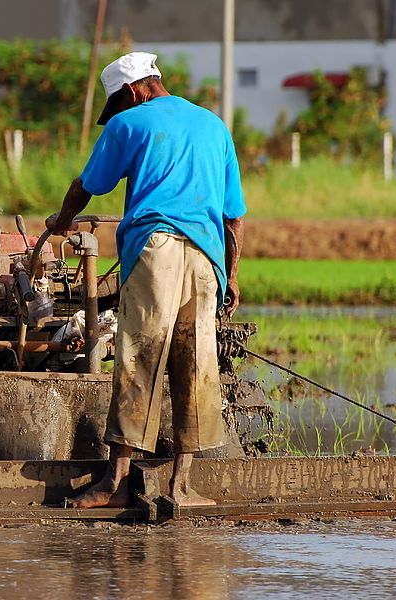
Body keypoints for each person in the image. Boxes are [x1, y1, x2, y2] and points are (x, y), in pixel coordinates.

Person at [45, 52, 246, 508]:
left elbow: (87, 184)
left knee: (140, 355)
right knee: (195, 361)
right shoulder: (215, 126)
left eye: (117, 104)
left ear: (133, 91)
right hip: (208, 257)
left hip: (157, 248)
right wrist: (232, 276)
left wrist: (62, 220)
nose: (116, 114)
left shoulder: (129, 124)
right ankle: (181, 484)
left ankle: (113, 482)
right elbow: (234, 216)